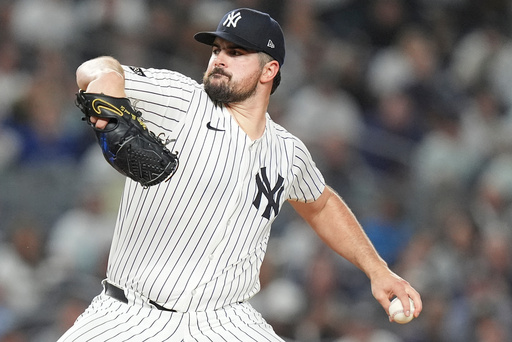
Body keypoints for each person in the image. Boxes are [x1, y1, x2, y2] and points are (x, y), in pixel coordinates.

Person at [59, 8, 422, 341]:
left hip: (223, 321)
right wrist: (106, 78)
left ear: (269, 70)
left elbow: (321, 204)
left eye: (235, 53)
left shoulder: (287, 151)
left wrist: (378, 271)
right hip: (129, 314)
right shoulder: (182, 99)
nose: (219, 59)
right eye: (217, 49)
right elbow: (92, 68)